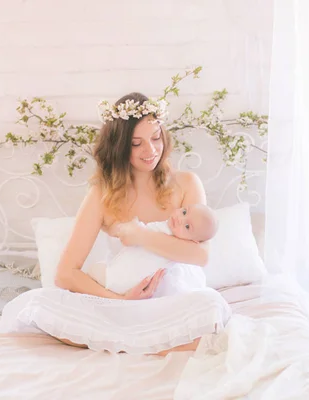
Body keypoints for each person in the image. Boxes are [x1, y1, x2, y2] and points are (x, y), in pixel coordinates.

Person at [51, 92, 218, 353]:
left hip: (178, 299)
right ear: (119, 147)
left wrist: (140, 235)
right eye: (136, 143)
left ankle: (140, 340)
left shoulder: (186, 184)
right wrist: (120, 299)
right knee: (53, 314)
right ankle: (139, 338)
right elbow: (65, 273)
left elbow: (200, 255)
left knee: (212, 313)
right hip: (125, 302)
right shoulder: (101, 195)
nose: (150, 150)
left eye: (155, 138)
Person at [92, 203, 219, 297]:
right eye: (184, 212)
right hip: (128, 285)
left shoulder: (173, 243)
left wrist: (133, 228)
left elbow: (138, 233)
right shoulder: (172, 237)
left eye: (187, 226)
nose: (180, 218)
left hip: (119, 279)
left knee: (94, 270)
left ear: (194, 241)